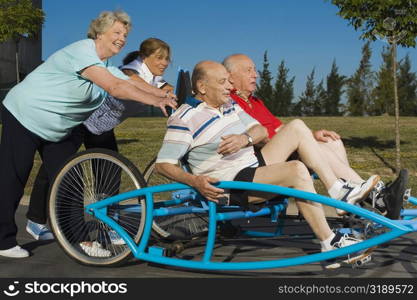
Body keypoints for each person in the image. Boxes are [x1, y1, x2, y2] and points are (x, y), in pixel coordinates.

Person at [155, 61, 379, 268]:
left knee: (298, 127)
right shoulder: (184, 119)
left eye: (229, 81)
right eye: (222, 82)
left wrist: (245, 139)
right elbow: (163, 164)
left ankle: (337, 190)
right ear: (202, 87)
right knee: (296, 170)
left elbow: (260, 130)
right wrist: (194, 180)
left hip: (252, 165)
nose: (229, 86)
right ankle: (329, 241)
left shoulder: (229, 104)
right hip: (230, 181)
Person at [0, 10, 177, 258]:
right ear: (100, 33)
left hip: (57, 128)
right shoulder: (82, 50)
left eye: (125, 34)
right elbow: (116, 87)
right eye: (116, 32)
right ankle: (3, 240)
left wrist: (161, 96)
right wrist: (154, 99)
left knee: (69, 180)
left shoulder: (106, 66)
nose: (122, 38)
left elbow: (130, 83)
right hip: (24, 115)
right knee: (15, 175)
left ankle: (79, 239)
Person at [222, 53, 407, 219]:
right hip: (260, 164)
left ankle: (356, 200)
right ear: (230, 76)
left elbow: (279, 129)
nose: (255, 74)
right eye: (248, 71)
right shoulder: (228, 103)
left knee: (332, 142)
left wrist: (312, 134)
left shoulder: (256, 102)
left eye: (255, 70)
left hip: (281, 152)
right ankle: (376, 197)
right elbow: (250, 138)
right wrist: (292, 143)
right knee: (304, 134)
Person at [25, 38, 175, 242]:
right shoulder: (132, 69)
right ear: (143, 57)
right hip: (80, 120)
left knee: (109, 172)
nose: (165, 63)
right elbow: (132, 80)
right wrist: (159, 94)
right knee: (54, 169)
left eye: (167, 59)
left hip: (101, 128)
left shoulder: (157, 80)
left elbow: (171, 89)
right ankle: (35, 220)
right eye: (159, 58)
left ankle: (108, 225)